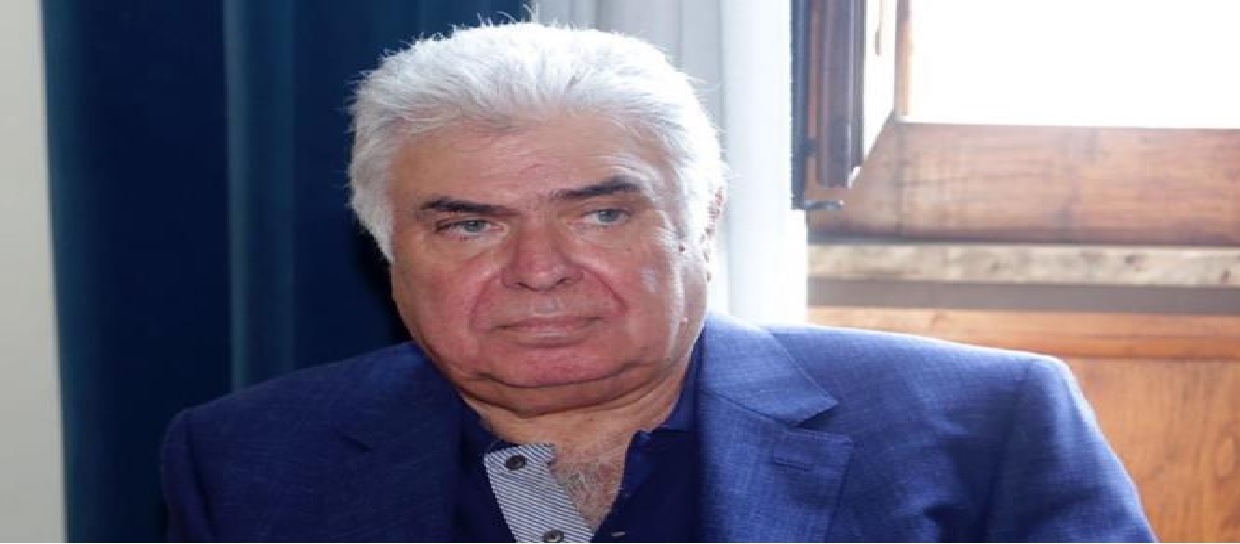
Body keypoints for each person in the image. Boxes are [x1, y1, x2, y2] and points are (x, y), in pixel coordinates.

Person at [161, 22, 1154, 542]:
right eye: (469, 225)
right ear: (389, 251)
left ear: (702, 214)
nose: (538, 270)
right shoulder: (248, 460)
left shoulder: (984, 427)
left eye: (600, 214)